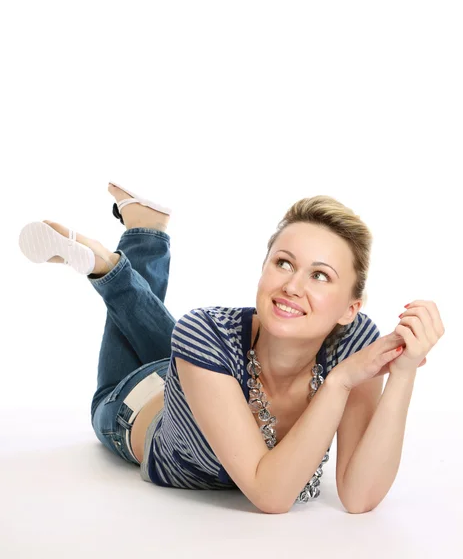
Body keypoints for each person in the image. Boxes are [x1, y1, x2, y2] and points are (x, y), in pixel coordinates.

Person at [18, 184, 444, 514]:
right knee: (189, 341)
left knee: (190, 346)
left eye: (320, 276)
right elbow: (271, 495)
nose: (292, 286)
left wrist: (404, 371)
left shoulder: (356, 342)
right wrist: (339, 383)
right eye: (284, 263)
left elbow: (359, 496)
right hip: (134, 405)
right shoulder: (205, 332)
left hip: (203, 372)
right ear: (264, 268)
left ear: (351, 308)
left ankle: (134, 242)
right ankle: (113, 268)